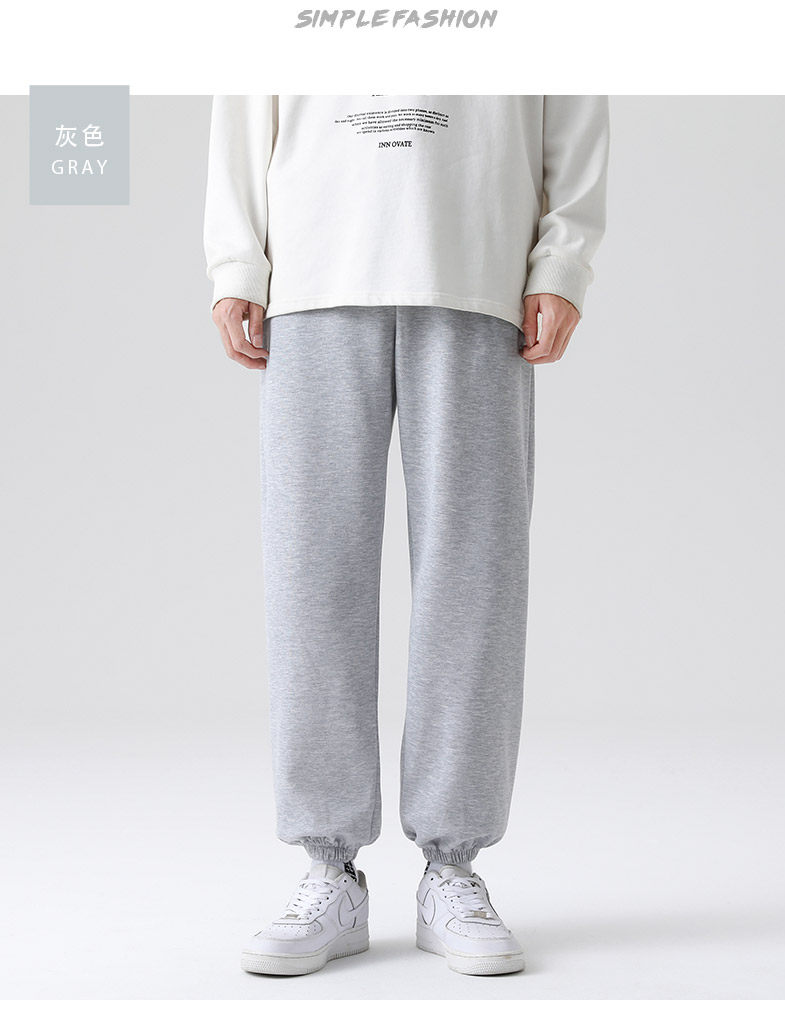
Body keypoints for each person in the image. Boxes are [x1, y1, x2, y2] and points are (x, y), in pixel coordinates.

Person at [203, 94, 609, 977]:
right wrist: (237, 258)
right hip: (313, 270)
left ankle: (452, 869)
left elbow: (575, 93)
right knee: (312, 580)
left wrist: (562, 258)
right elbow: (242, 91)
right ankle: (329, 868)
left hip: (478, 265)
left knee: (476, 576)